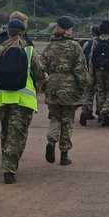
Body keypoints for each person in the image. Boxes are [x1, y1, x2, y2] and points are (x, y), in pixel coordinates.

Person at [0, 18, 45, 184]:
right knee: (18, 135)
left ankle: (6, 160)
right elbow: (40, 74)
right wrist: (40, 89)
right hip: (22, 99)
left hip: (1, 98)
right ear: (23, 32)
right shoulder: (29, 50)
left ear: (8, 32)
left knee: (5, 132)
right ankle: (9, 169)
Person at [41, 17, 89, 166]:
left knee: (55, 117)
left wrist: (45, 86)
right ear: (68, 30)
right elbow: (80, 70)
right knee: (67, 120)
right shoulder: (75, 46)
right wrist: (83, 87)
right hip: (69, 87)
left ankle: (51, 141)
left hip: (52, 86)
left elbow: (41, 68)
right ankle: (64, 155)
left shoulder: (49, 46)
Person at [88, 20, 109, 127]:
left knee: (100, 91)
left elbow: (91, 58)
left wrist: (91, 74)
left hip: (98, 71)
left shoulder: (96, 41)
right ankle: (106, 109)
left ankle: (100, 112)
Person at [80, 25, 100, 126]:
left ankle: (86, 111)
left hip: (88, 72)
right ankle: (101, 113)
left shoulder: (87, 43)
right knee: (100, 93)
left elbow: (81, 57)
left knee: (88, 93)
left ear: (92, 33)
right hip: (100, 72)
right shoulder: (101, 43)